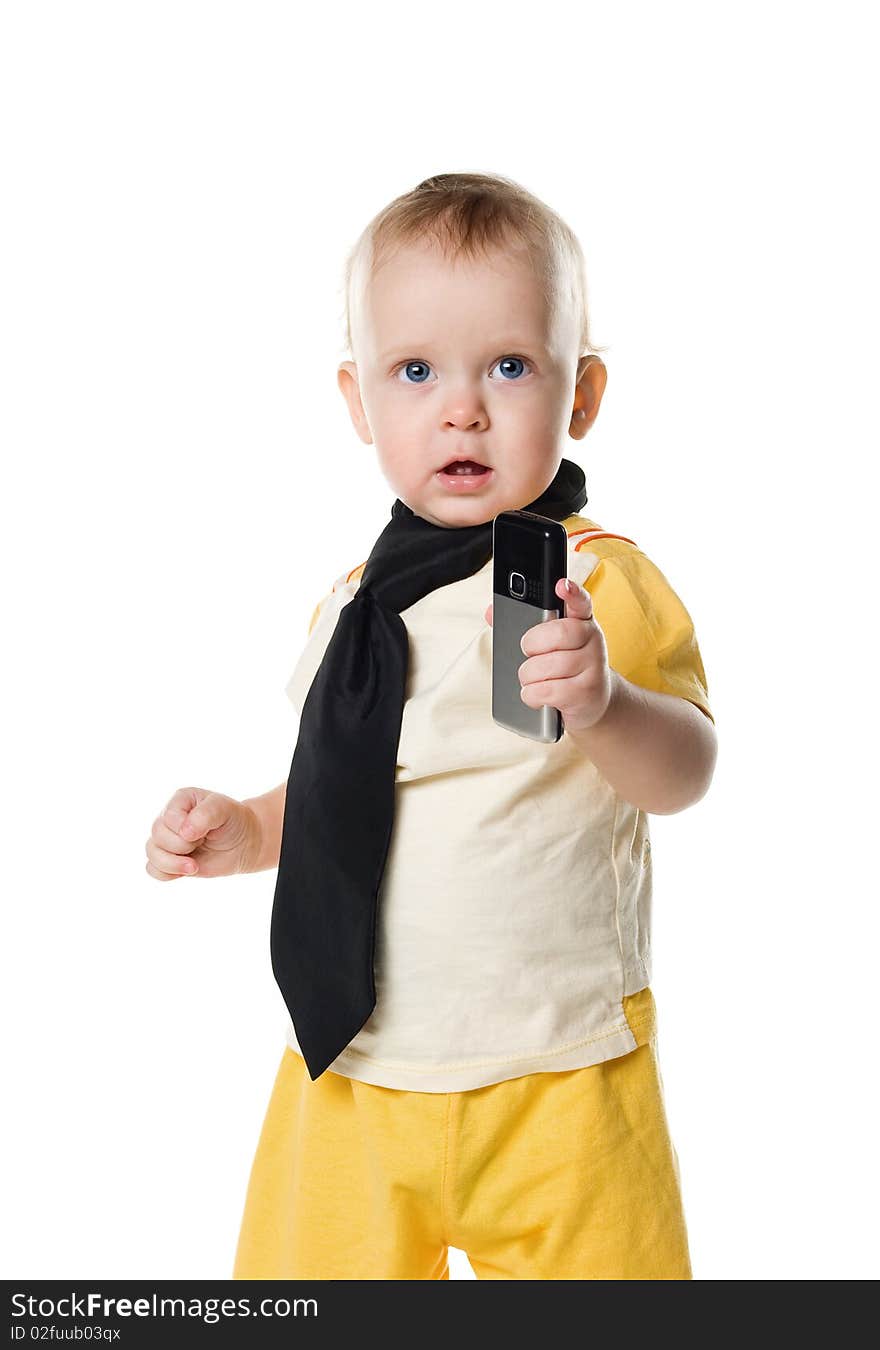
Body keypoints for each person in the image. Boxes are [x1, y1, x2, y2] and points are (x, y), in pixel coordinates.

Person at [145, 172, 717, 1280]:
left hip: (557, 1073)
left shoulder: (588, 583)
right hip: (356, 1069)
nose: (462, 408)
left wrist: (604, 703)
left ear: (581, 394)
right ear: (359, 402)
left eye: (509, 366)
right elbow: (349, 796)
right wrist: (248, 831)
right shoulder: (356, 603)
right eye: (417, 372)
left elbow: (684, 772)